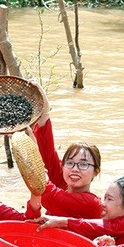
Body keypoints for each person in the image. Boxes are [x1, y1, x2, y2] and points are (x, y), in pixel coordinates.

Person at [26, 87, 102, 218]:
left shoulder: (92, 203)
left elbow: (47, 194)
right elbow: (47, 152)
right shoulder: (63, 185)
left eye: (83, 165)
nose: (75, 169)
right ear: (63, 166)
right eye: (70, 163)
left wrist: (30, 151)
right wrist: (44, 110)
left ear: (96, 172)